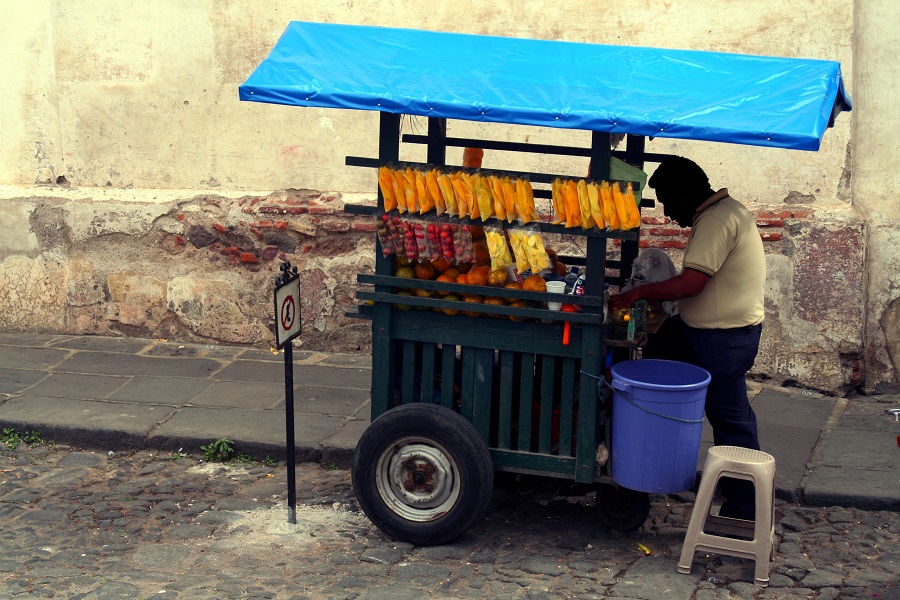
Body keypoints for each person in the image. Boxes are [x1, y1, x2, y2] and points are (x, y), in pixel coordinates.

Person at [608, 157, 765, 520]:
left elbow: (693, 283)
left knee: (731, 421)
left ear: (684, 192)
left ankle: (745, 508)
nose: (666, 211)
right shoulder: (727, 212)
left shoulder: (716, 220)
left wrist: (637, 295)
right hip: (705, 332)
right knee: (650, 363)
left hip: (721, 340)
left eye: (666, 199)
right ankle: (641, 458)